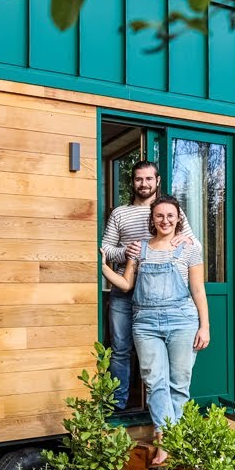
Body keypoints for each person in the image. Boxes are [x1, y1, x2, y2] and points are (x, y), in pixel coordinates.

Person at [100, 196, 211, 465]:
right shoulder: (139, 248)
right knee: (154, 381)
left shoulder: (189, 249)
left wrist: (205, 326)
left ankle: (173, 439)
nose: (165, 220)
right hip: (145, 323)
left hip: (182, 320)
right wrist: (102, 266)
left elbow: (197, 289)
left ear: (178, 219)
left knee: (179, 382)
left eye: (170, 216)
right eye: (159, 216)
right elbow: (126, 285)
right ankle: (165, 439)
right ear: (152, 219)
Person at [100, 161, 193, 410]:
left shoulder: (170, 211)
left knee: (162, 363)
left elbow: (195, 247)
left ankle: (159, 413)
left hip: (163, 294)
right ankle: (118, 404)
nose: (144, 184)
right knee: (121, 349)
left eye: (149, 179)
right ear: (133, 182)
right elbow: (106, 248)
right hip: (125, 288)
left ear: (157, 181)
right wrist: (125, 252)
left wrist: (185, 239)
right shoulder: (120, 213)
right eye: (139, 179)